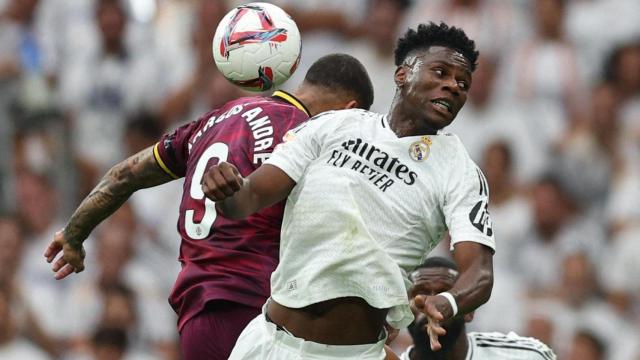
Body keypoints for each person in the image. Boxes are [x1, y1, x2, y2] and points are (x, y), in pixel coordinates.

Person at [44, 53, 375, 360]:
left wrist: (74, 234)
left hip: (198, 315)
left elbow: (124, 174)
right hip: (258, 310)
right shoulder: (310, 134)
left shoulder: (210, 122)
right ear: (350, 109)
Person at [202, 22, 494, 359]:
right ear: (402, 74)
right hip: (266, 342)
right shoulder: (335, 125)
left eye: (462, 83)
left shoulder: (459, 171)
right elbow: (248, 198)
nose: (452, 86)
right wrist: (225, 191)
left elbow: (480, 273)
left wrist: (448, 301)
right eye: (440, 72)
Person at [400, 257, 556, 360]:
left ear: (469, 310)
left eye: (444, 295)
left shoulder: (525, 357)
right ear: (403, 312)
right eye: (420, 295)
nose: (430, 306)